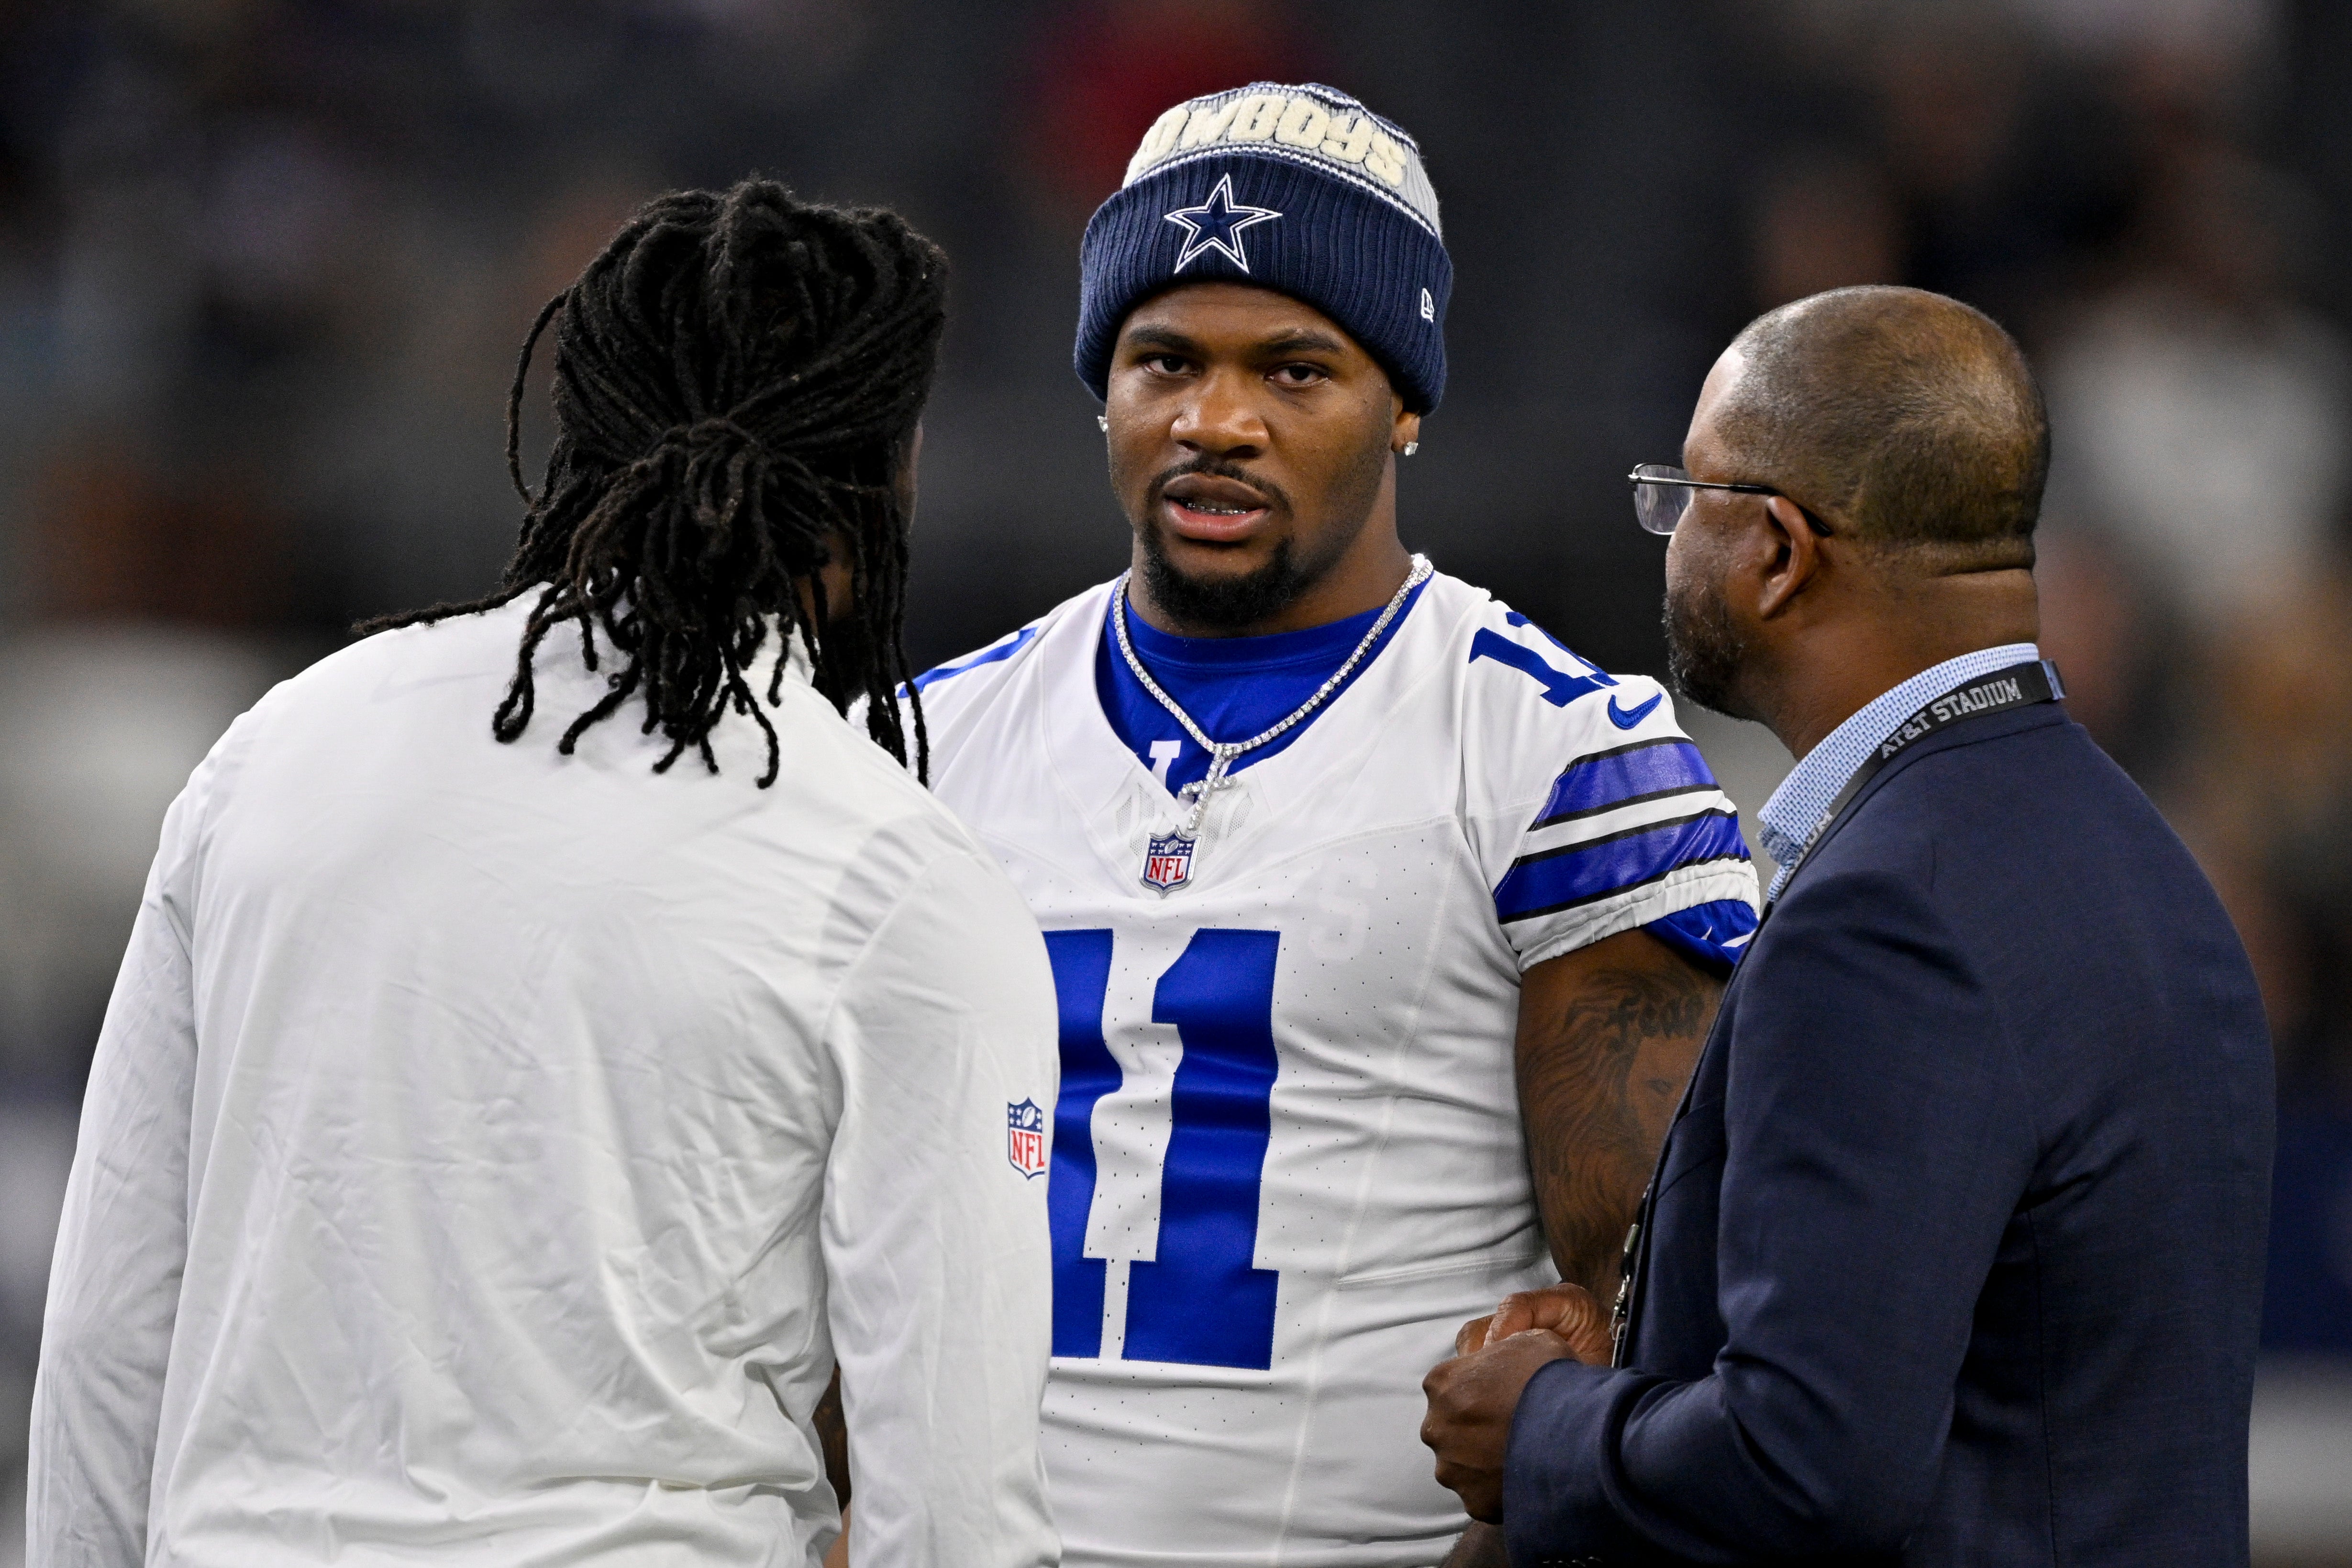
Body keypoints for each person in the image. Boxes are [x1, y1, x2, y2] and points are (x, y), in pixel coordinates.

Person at [29, 182, 1060, 1568]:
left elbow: (107, 1333)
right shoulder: (901, 877)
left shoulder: (275, 758)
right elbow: (954, 1504)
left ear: (579, 430)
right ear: (887, 477)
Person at [909, 83, 1761, 1567]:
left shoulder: (1557, 752)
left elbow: (1654, 1309)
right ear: (1100, 384)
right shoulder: (926, 741)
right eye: (1162, 358)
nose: (1215, 421)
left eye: (1294, 369)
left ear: (1405, 401)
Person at [1420, 285, 2275, 1566]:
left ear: (1775, 551)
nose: (1664, 535)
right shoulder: (2133, 858)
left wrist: (1540, 1426)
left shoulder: (1886, 914)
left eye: (1683, 497)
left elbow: (1809, 1461)